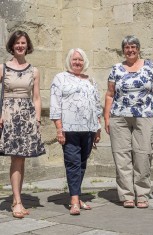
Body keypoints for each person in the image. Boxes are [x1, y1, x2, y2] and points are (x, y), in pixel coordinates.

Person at [104, 35, 153, 209]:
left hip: (145, 116)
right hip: (119, 116)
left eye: (133, 47)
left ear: (138, 49)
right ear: (123, 50)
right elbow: (109, 94)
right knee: (121, 155)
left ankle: (142, 194)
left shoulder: (150, 66)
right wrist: (107, 117)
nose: (130, 50)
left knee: (143, 154)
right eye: (127, 47)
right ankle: (126, 195)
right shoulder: (116, 69)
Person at [50, 48, 102, 215]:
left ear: (84, 61)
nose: (77, 62)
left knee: (82, 163)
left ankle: (77, 196)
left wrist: (98, 128)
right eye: (74, 60)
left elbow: (96, 105)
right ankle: (74, 201)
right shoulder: (60, 78)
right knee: (73, 163)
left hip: (88, 129)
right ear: (69, 61)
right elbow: (55, 104)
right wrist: (59, 128)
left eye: (80, 60)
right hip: (69, 129)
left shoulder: (91, 80)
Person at [0, 30, 46, 218]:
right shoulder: (2, 68)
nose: (20, 46)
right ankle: (17, 201)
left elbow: (36, 97)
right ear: (12, 45)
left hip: (26, 116)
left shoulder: (34, 70)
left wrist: (36, 119)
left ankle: (16, 198)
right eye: (17, 43)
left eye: (23, 43)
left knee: (21, 158)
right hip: (8, 115)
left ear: (28, 46)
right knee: (15, 159)